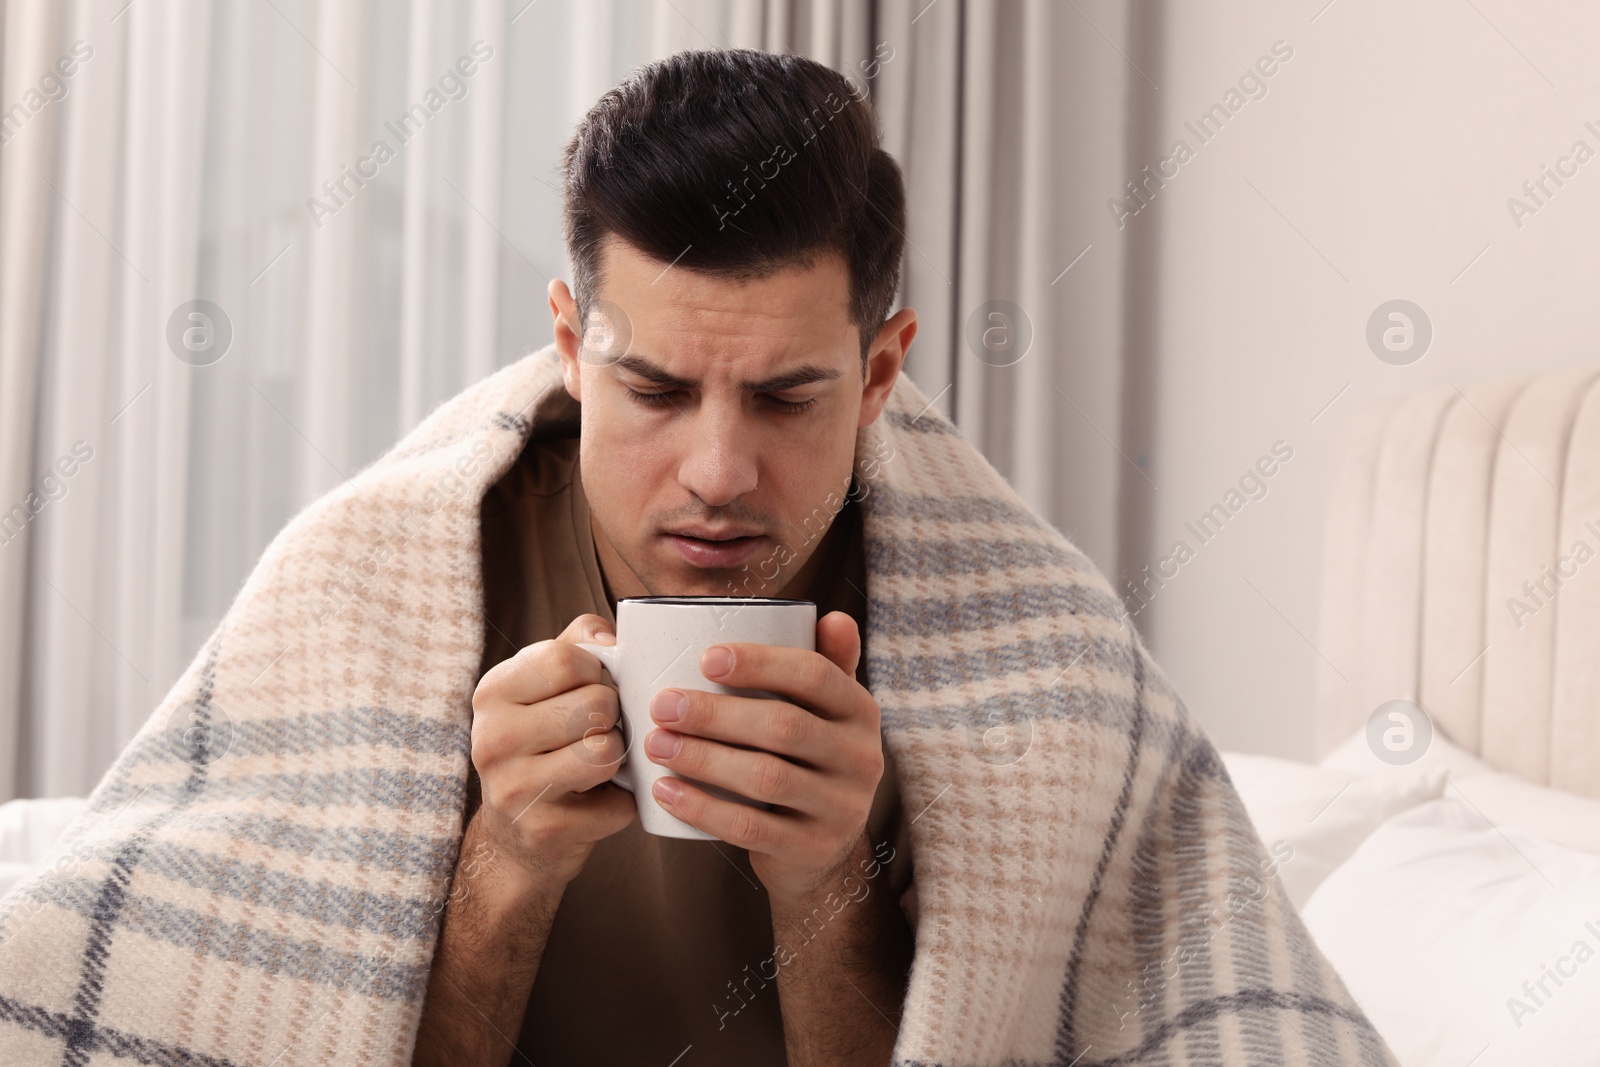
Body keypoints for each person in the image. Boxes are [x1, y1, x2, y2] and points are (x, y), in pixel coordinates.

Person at [412, 48, 919, 1066]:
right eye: (653, 391)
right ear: (568, 345)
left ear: (878, 372)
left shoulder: (988, 629)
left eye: (785, 398)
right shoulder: (404, 573)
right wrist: (505, 859)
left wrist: (829, 879)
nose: (719, 473)